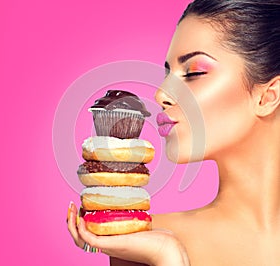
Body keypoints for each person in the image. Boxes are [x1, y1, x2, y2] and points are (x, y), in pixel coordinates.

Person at [67, 0, 280, 265]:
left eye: (194, 72)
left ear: (267, 97)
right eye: (168, 73)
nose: (161, 94)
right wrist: (168, 256)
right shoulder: (142, 241)